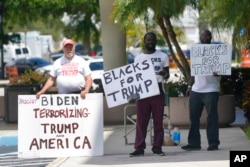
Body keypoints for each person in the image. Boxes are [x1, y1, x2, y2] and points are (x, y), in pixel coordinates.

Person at [129, 32, 170, 157]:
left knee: (158, 121)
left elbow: (167, 75)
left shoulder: (163, 56)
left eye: (152, 39)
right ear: (144, 41)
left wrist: (165, 73)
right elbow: (135, 79)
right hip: (143, 93)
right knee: (141, 121)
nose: (150, 41)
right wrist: (133, 94)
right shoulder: (138, 58)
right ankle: (139, 148)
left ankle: (157, 147)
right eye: (148, 39)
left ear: (156, 41)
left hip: (158, 91)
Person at [181, 29, 221, 151]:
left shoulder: (218, 53)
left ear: (211, 37)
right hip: (196, 90)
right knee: (193, 118)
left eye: (208, 36)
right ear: (200, 37)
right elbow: (193, 72)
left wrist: (218, 73)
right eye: (203, 36)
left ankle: (213, 143)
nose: (205, 38)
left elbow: (223, 71)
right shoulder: (196, 52)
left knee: (212, 118)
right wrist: (189, 86)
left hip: (211, 89)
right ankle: (194, 143)